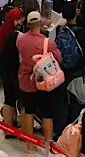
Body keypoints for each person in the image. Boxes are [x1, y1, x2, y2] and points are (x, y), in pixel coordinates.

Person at [18, 11, 63, 140]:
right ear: (40, 23)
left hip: (27, 80)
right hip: (45, 82)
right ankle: (48, 144)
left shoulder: (21, 40)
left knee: (28, 111)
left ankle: (29, 144)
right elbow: (58, 59)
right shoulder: (48, 42)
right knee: (47, 114)